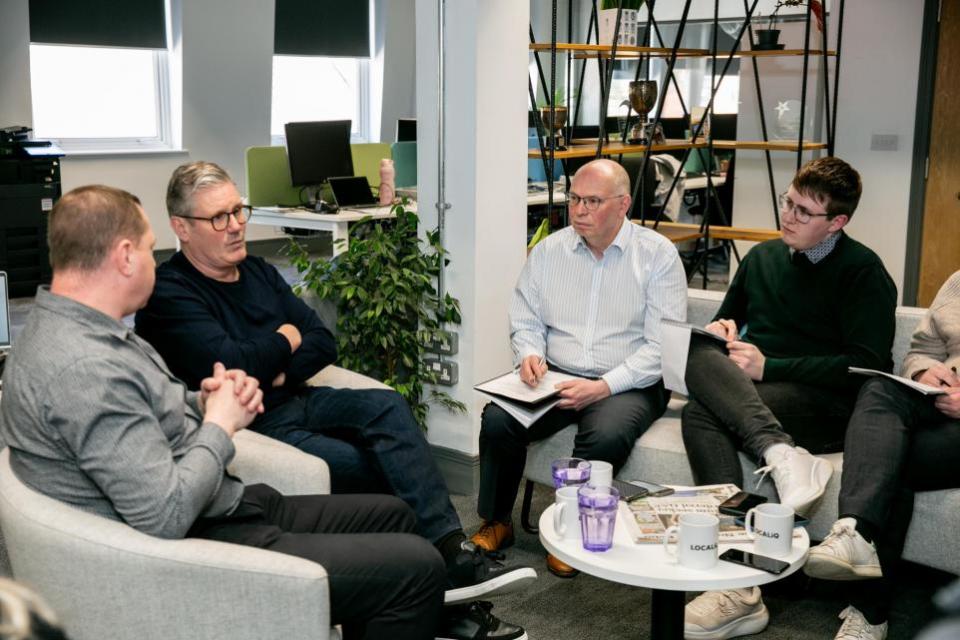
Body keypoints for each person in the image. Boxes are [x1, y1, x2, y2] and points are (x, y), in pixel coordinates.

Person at [0, 185, 526, 640]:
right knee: (412, 565)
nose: (152, 259)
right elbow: (164, 513)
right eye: (146, 245)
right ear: (123, 257)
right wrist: (219, 423)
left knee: (396, 514)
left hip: (224, 504)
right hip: (198, 536)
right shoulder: (83, 366)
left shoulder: (84, 331)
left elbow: (152, 404)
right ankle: (414, 602)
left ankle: (408, 609)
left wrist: (201, 400)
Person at [134, 162, 535, 610]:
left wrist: (278, 367)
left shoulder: (259, 272)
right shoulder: (171, 294)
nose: (236, 227)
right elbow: (237, 364)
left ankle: (450, 553)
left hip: (297, 396)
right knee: (363, 464)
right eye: (219, 218)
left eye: (239, 211)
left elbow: (324, 339)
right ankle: (428, 583)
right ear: (181, 228)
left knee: (388, 406)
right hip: (254, 423)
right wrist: (285, 337)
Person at [680, 156, 898, 640]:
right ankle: (780, 454)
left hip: (828, 403)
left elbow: (868, 368)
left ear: (837, 222)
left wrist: (769, 366)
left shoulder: (863, 272)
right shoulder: (762, 258)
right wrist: (722, 330)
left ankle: (738, 584)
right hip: (759, 394)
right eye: (788, 202)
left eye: (804, 211)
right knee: (695, 349)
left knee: (701, 412)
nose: (789, 216)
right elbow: (725, 320)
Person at [470, 158, 687, 577]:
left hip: (630, 381)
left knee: (604, 433)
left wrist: (603, 386)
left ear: (623, 204)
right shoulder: (551, 251)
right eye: (574, 199)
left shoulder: (657, 256)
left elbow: (661, 347)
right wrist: (530, 354)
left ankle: (569, 533)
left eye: (592, 201)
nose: (579, 210)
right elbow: (526, 317)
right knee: (498, 420)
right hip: (558, 374)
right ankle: (496, 522)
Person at [803, 270, 960, 640]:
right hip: (942, 404)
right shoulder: (956, 281)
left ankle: (869, 611)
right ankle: (854, 531)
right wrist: (923, 371)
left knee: (893, 459)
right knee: (879, 388)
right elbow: (921, 349)